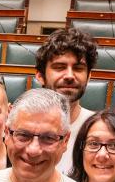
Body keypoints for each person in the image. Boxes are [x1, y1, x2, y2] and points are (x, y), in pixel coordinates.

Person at [33, 26, 98, 172]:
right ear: (40, 76)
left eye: (78, 68)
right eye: (59, 67)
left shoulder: (100, 130)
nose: (69, 75)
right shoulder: (20, 127)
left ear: (89, 76)